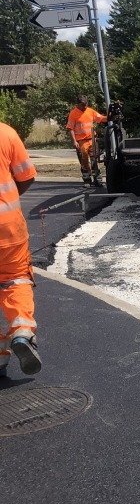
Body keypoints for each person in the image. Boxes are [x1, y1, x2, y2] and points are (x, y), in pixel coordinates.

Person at [0, 121, 41, 376]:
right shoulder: (6, 132)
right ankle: (22, 332)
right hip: (9, 228)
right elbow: (27, 177)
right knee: (16, 280)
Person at [66, 95, 107, 188]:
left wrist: (110, 117)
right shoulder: (73, 114)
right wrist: (74, 141)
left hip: (92, 139)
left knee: (94, 160)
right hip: (81, 141)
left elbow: (100, 118)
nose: (84, 106)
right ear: (78, 104)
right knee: (84, 161)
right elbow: (70, 129)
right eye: (82, 105)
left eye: (85, 104)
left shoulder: (90, 111)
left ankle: (97, 180)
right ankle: (87, 179)